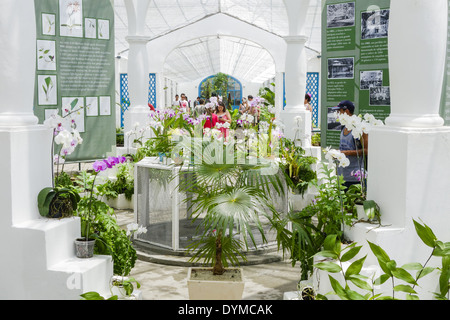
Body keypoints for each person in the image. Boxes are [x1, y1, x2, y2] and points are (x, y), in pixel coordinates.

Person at [332, 100, 368, 190]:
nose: (338, 114)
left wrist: (344, 152)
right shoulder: (343, 127)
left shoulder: (359, 128)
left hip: (355, 178)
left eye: (339, 111)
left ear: (346, 111)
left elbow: (366, 150)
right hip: (342, 175)